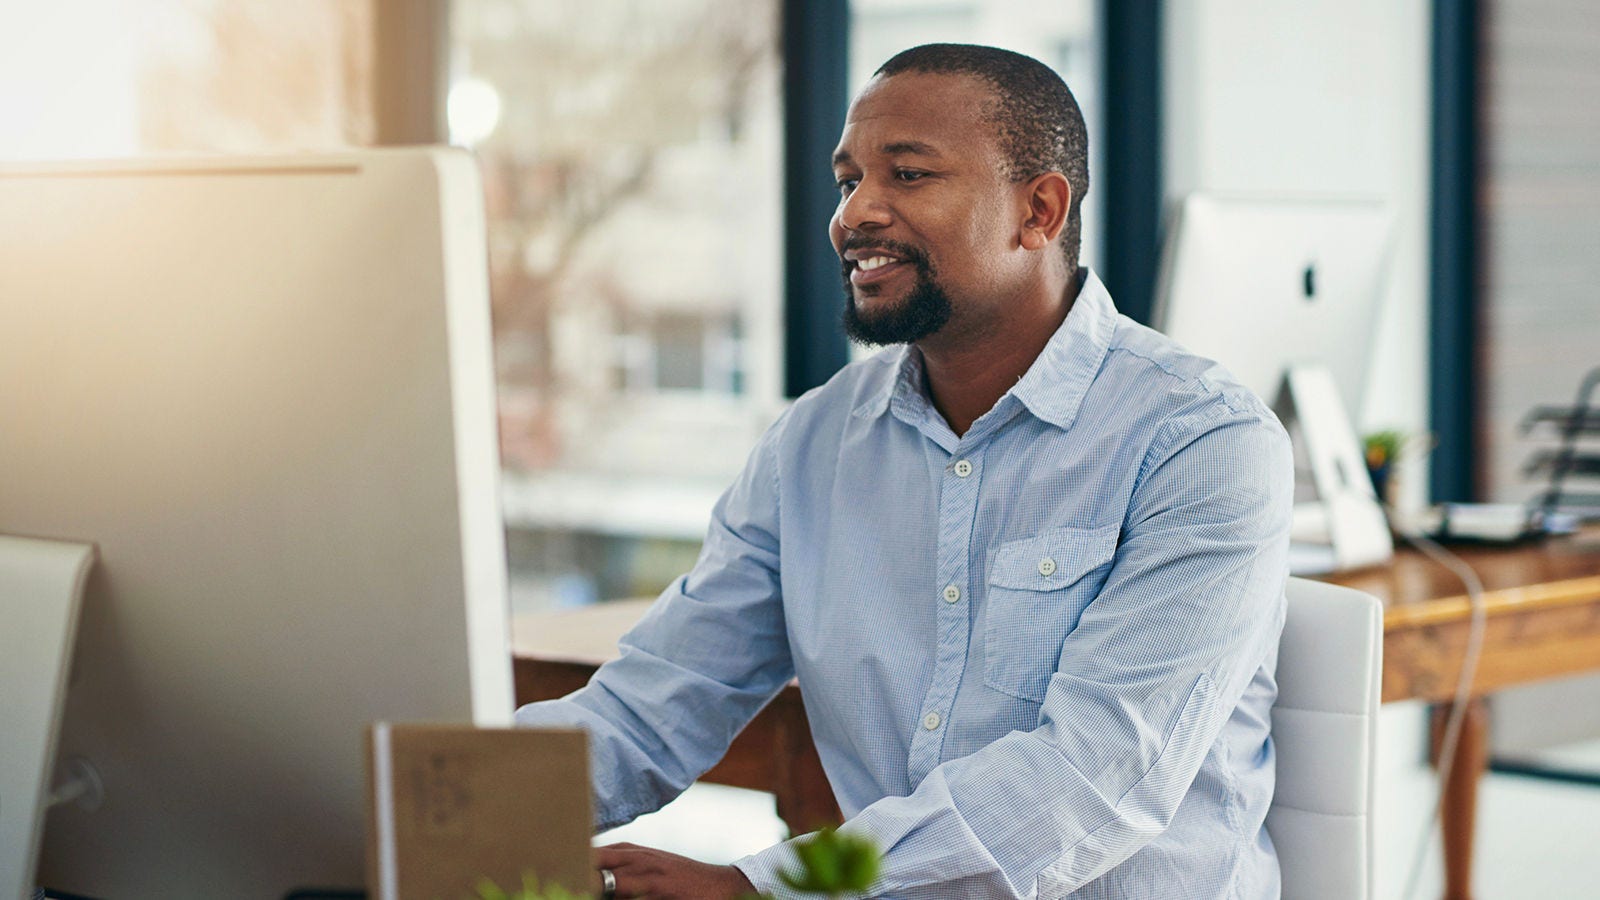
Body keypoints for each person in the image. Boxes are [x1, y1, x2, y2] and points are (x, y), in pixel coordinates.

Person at [516, 43, 1293, 899]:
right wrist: (452, 809)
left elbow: (1094, 777)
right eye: (849, 181)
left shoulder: (1200, 439)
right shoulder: (810, 446)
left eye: (909, 175)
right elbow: (661, 699)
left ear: (1038, 211)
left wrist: (763, 889)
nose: (855, 216)